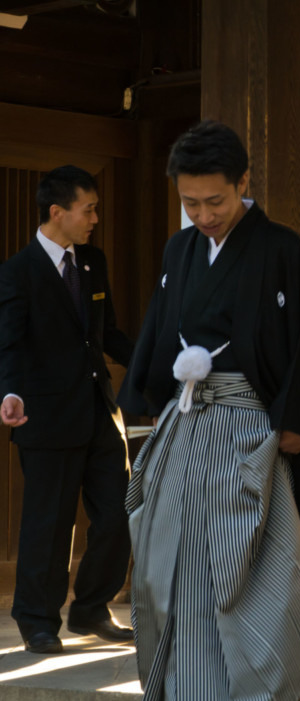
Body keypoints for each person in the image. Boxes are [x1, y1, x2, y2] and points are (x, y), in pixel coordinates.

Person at [118, 121, 300, 700]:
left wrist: (297, 420)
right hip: (188, 421)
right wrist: (147, 403)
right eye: (191, 203)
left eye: (215, 201)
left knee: (244, 562)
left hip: (250, 430)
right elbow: (156, 335)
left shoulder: (283, 250)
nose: (203, 215)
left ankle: (256, 681)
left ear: (244, 182)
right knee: (166, 557)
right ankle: (183, 683)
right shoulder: (181, 249)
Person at [0, 165, 134, 655]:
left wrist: (154, 367)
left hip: (101, 412)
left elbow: (107, 334)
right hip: (46, 418)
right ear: (58, 212)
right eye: (89, 208)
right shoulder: (17, 273)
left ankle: (91, 608)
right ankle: (38, 620)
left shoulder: (93, 262)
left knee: (122, 511)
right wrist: (9, 393)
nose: (95, 217)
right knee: (49, 526)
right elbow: (8, 346)